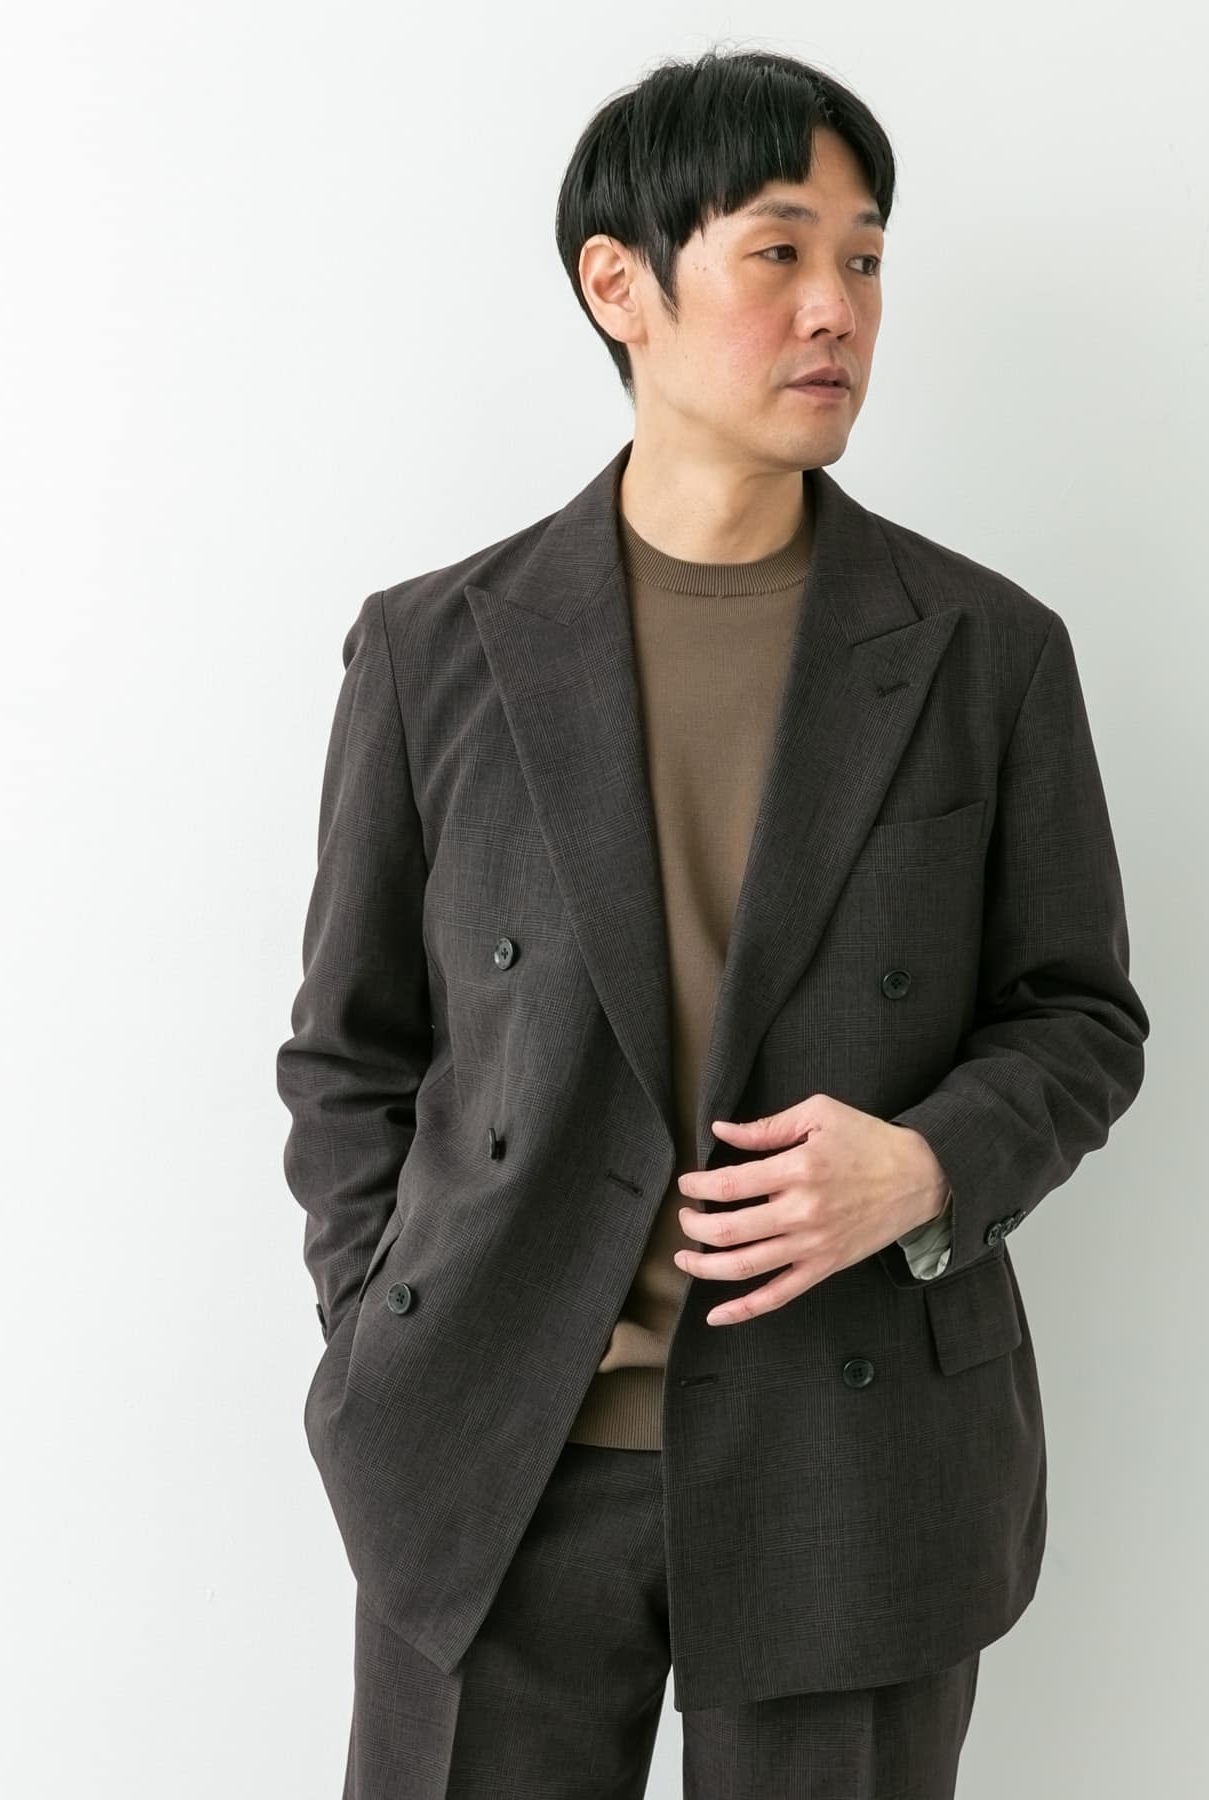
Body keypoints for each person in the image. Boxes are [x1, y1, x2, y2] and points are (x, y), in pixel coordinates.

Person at [277, 45, 1149, 1799]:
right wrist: (388, 1331)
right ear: (621, 285)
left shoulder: (984, 650)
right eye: (780, 252)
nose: (839, 308)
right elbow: (350, 1052)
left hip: (854, 1445)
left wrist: (928, 1169)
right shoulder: (438, 647)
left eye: (867, 258)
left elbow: (1078, 1016)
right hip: (497, 1455)